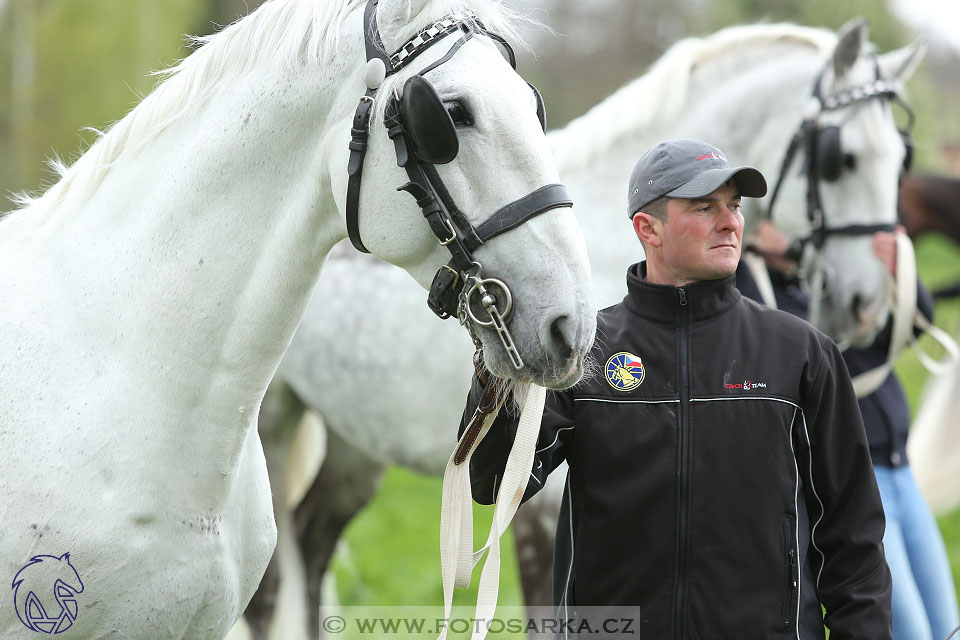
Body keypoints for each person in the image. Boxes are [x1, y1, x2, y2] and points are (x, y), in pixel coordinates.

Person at [459, 139, 892, 638]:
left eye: (733, 206)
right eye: (705, 207)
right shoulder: (584, 353)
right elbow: (492, 482)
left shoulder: (801, 353)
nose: (729, 221)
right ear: (649, 229)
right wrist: (498, 364)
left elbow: (852, 531)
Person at [737, 220, 960, 640]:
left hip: (899, 468)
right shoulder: (759, 292)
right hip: (864, 478)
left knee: (947, 624)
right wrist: (795, 256)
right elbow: (806, 349)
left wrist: (900, 272)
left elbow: (913, 323)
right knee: (909, 630)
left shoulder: (824, 277)